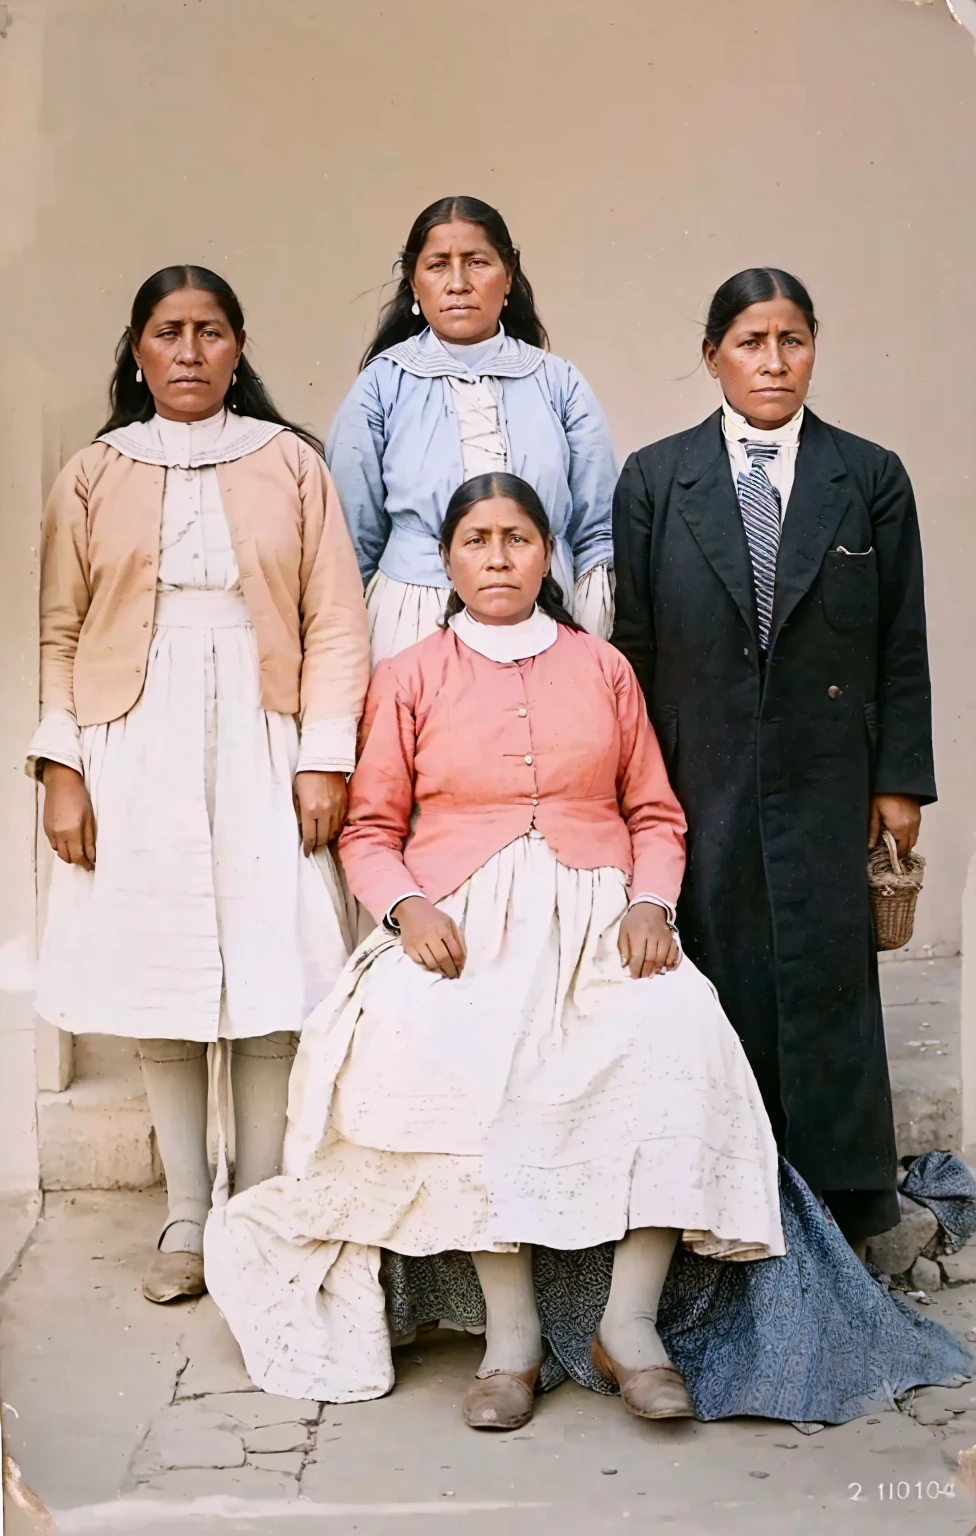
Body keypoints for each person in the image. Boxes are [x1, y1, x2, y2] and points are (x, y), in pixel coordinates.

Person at [206, 472, 786, 1426]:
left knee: (679, 1033)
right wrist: (406, 911)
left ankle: (628, 1324)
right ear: (447, 559)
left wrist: (650, 905)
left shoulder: (602, 667)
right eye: (477, 539)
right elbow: (369, 829)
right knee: (446, 1049)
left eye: (517, 538)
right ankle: (510, 1340)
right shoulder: (412, 676)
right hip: (461, 924)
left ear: (546, 554)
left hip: (600, 914)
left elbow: (654, 813)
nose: (499, 557)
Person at [28, 265, 370, 1304]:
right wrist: (62, 769)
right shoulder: (94, 471)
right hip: (133, 733)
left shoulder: (290, 464)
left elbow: (335, 621)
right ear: (136, 348)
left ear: (239, 345)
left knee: (268, 965)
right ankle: (186, 1213)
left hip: (263, 729)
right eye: (168, 332)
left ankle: (258, 1208)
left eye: (209, 332)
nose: (188, 352)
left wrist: (322, 756)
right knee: (162, 970)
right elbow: (58, 630)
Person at [611, 268, 935, 1258]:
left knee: (829, 972)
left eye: (791, 339)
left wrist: (896, 785)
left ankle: (847, 1202)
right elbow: (631, 648)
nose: (772, 361)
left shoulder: (865, 476)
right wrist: (639, 793)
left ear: (812, 350)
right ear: (712, 354)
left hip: (827, 774)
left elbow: (899, 643)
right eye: (750, 341)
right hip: (699, 771)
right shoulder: (657, 481)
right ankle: (732, 1200)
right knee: (725, 970)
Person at [326, 196, 618, 666]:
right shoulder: (382, 385)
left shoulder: (558, 381)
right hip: (414, 615)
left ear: (508, 274)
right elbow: (349, 538)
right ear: (414, 283)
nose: (458, 284)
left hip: (546, 613)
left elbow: (596, 528)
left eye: (477, 262)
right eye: (438, 265)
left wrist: (587, 641)